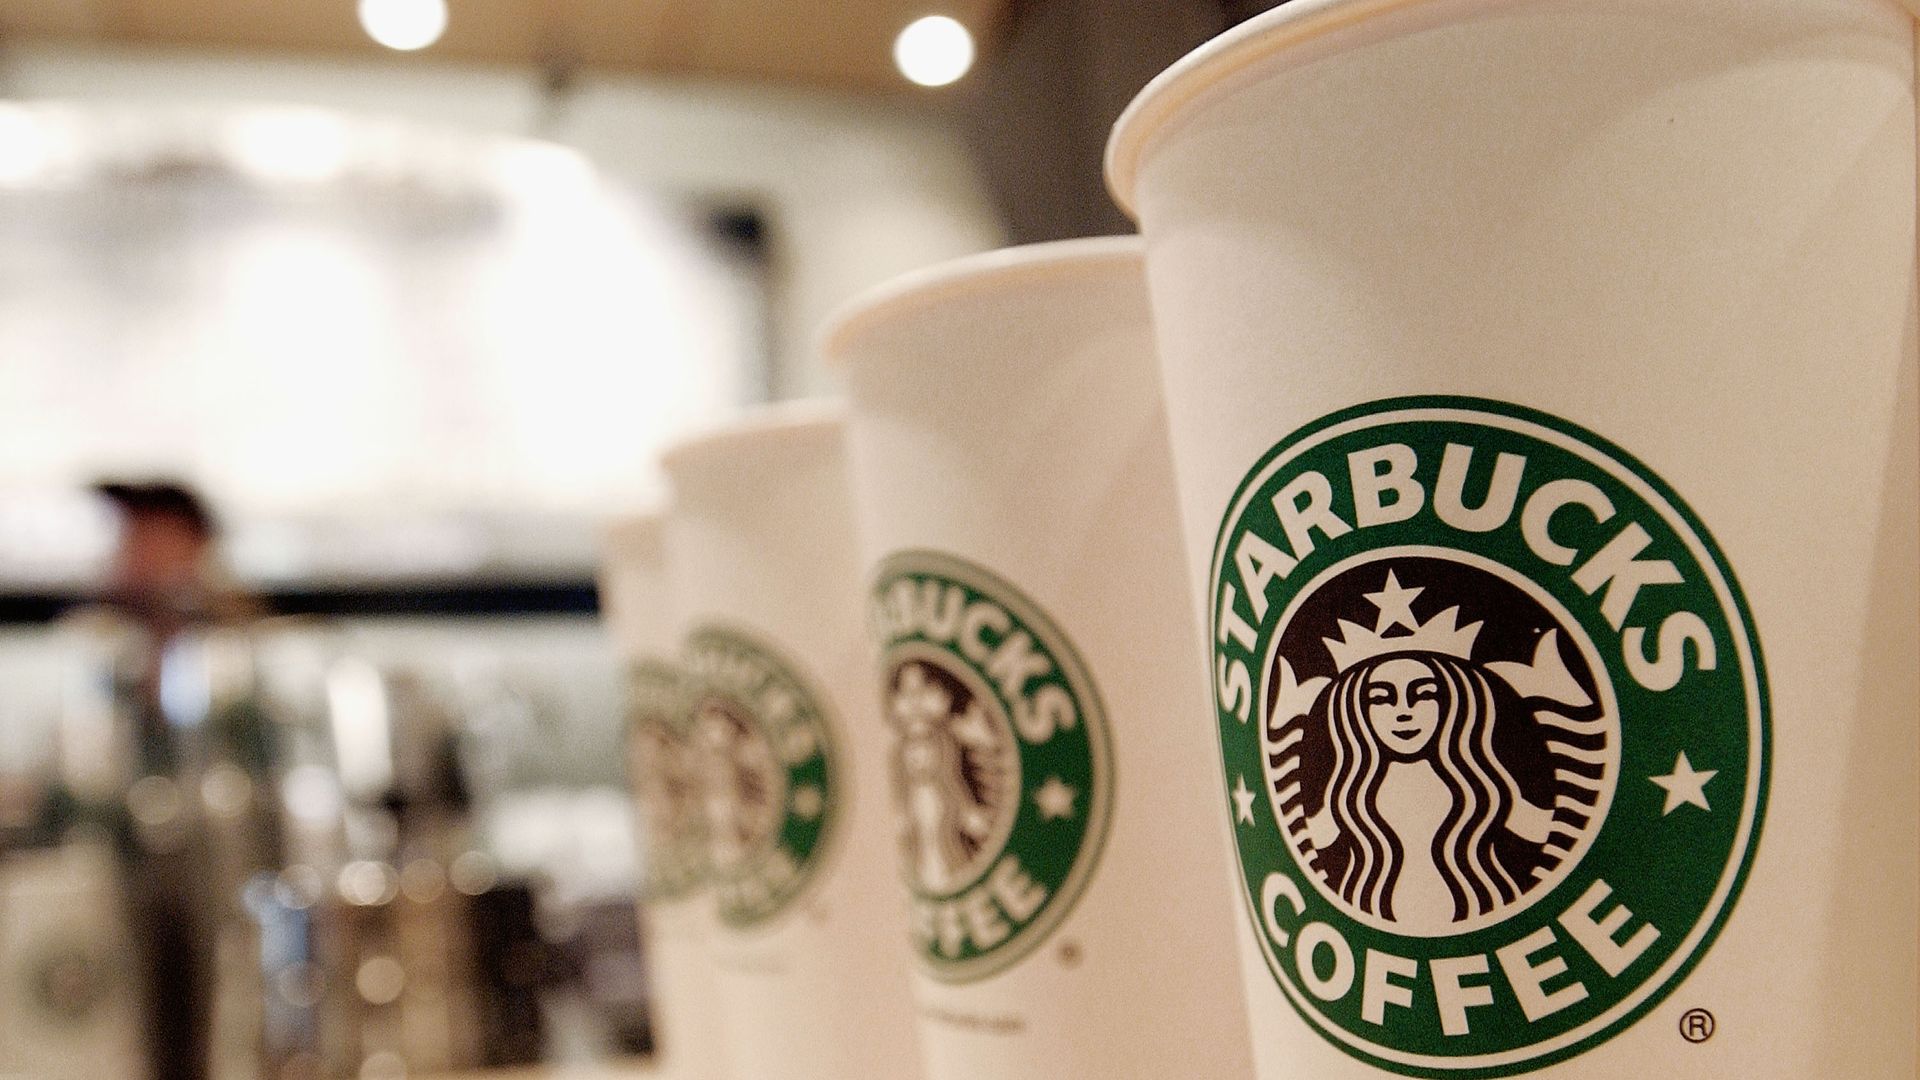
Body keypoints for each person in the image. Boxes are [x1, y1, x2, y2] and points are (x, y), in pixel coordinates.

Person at [89, 480, 263, 1080]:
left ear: (192, 545)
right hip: (125, 919)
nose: (126, 556)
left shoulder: (244, 662)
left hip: (231, 908)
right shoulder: (105, 667)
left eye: (143, 537)